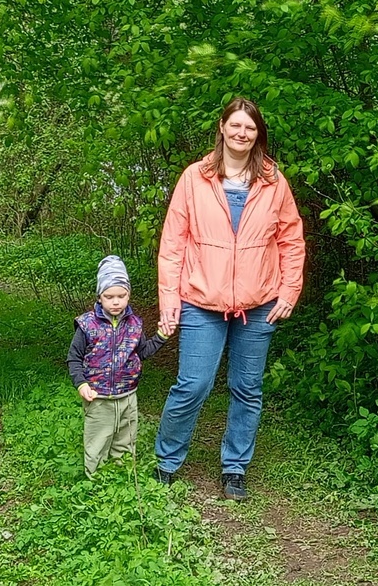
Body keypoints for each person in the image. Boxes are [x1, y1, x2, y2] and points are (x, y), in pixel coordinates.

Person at [153, 97, 306, 501]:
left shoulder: (274, 182)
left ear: (258, 134)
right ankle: (166, 461)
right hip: (201, 300)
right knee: (193, 384)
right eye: (235, 125)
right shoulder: (194, 178)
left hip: (259, 303)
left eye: (250, 127)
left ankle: (234, 468)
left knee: (247, 388)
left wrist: (289, 290)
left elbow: (291, 240)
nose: (242, 133)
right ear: (221, 127)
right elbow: (173, 243)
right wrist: (169, 299)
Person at [68, 254, 171, 477]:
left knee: (125, 439)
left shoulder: (134, 324)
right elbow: (74, 358)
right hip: (98, 397)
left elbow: (141, 352)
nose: (116, 302)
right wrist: (81, 384)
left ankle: (122, 476)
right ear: (99, 296)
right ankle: (95, 480)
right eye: (109, 296)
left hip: (128, 396)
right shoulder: (87, 325)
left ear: (128, 295)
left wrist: (161, 337)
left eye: (121, 296)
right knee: (98, 440)